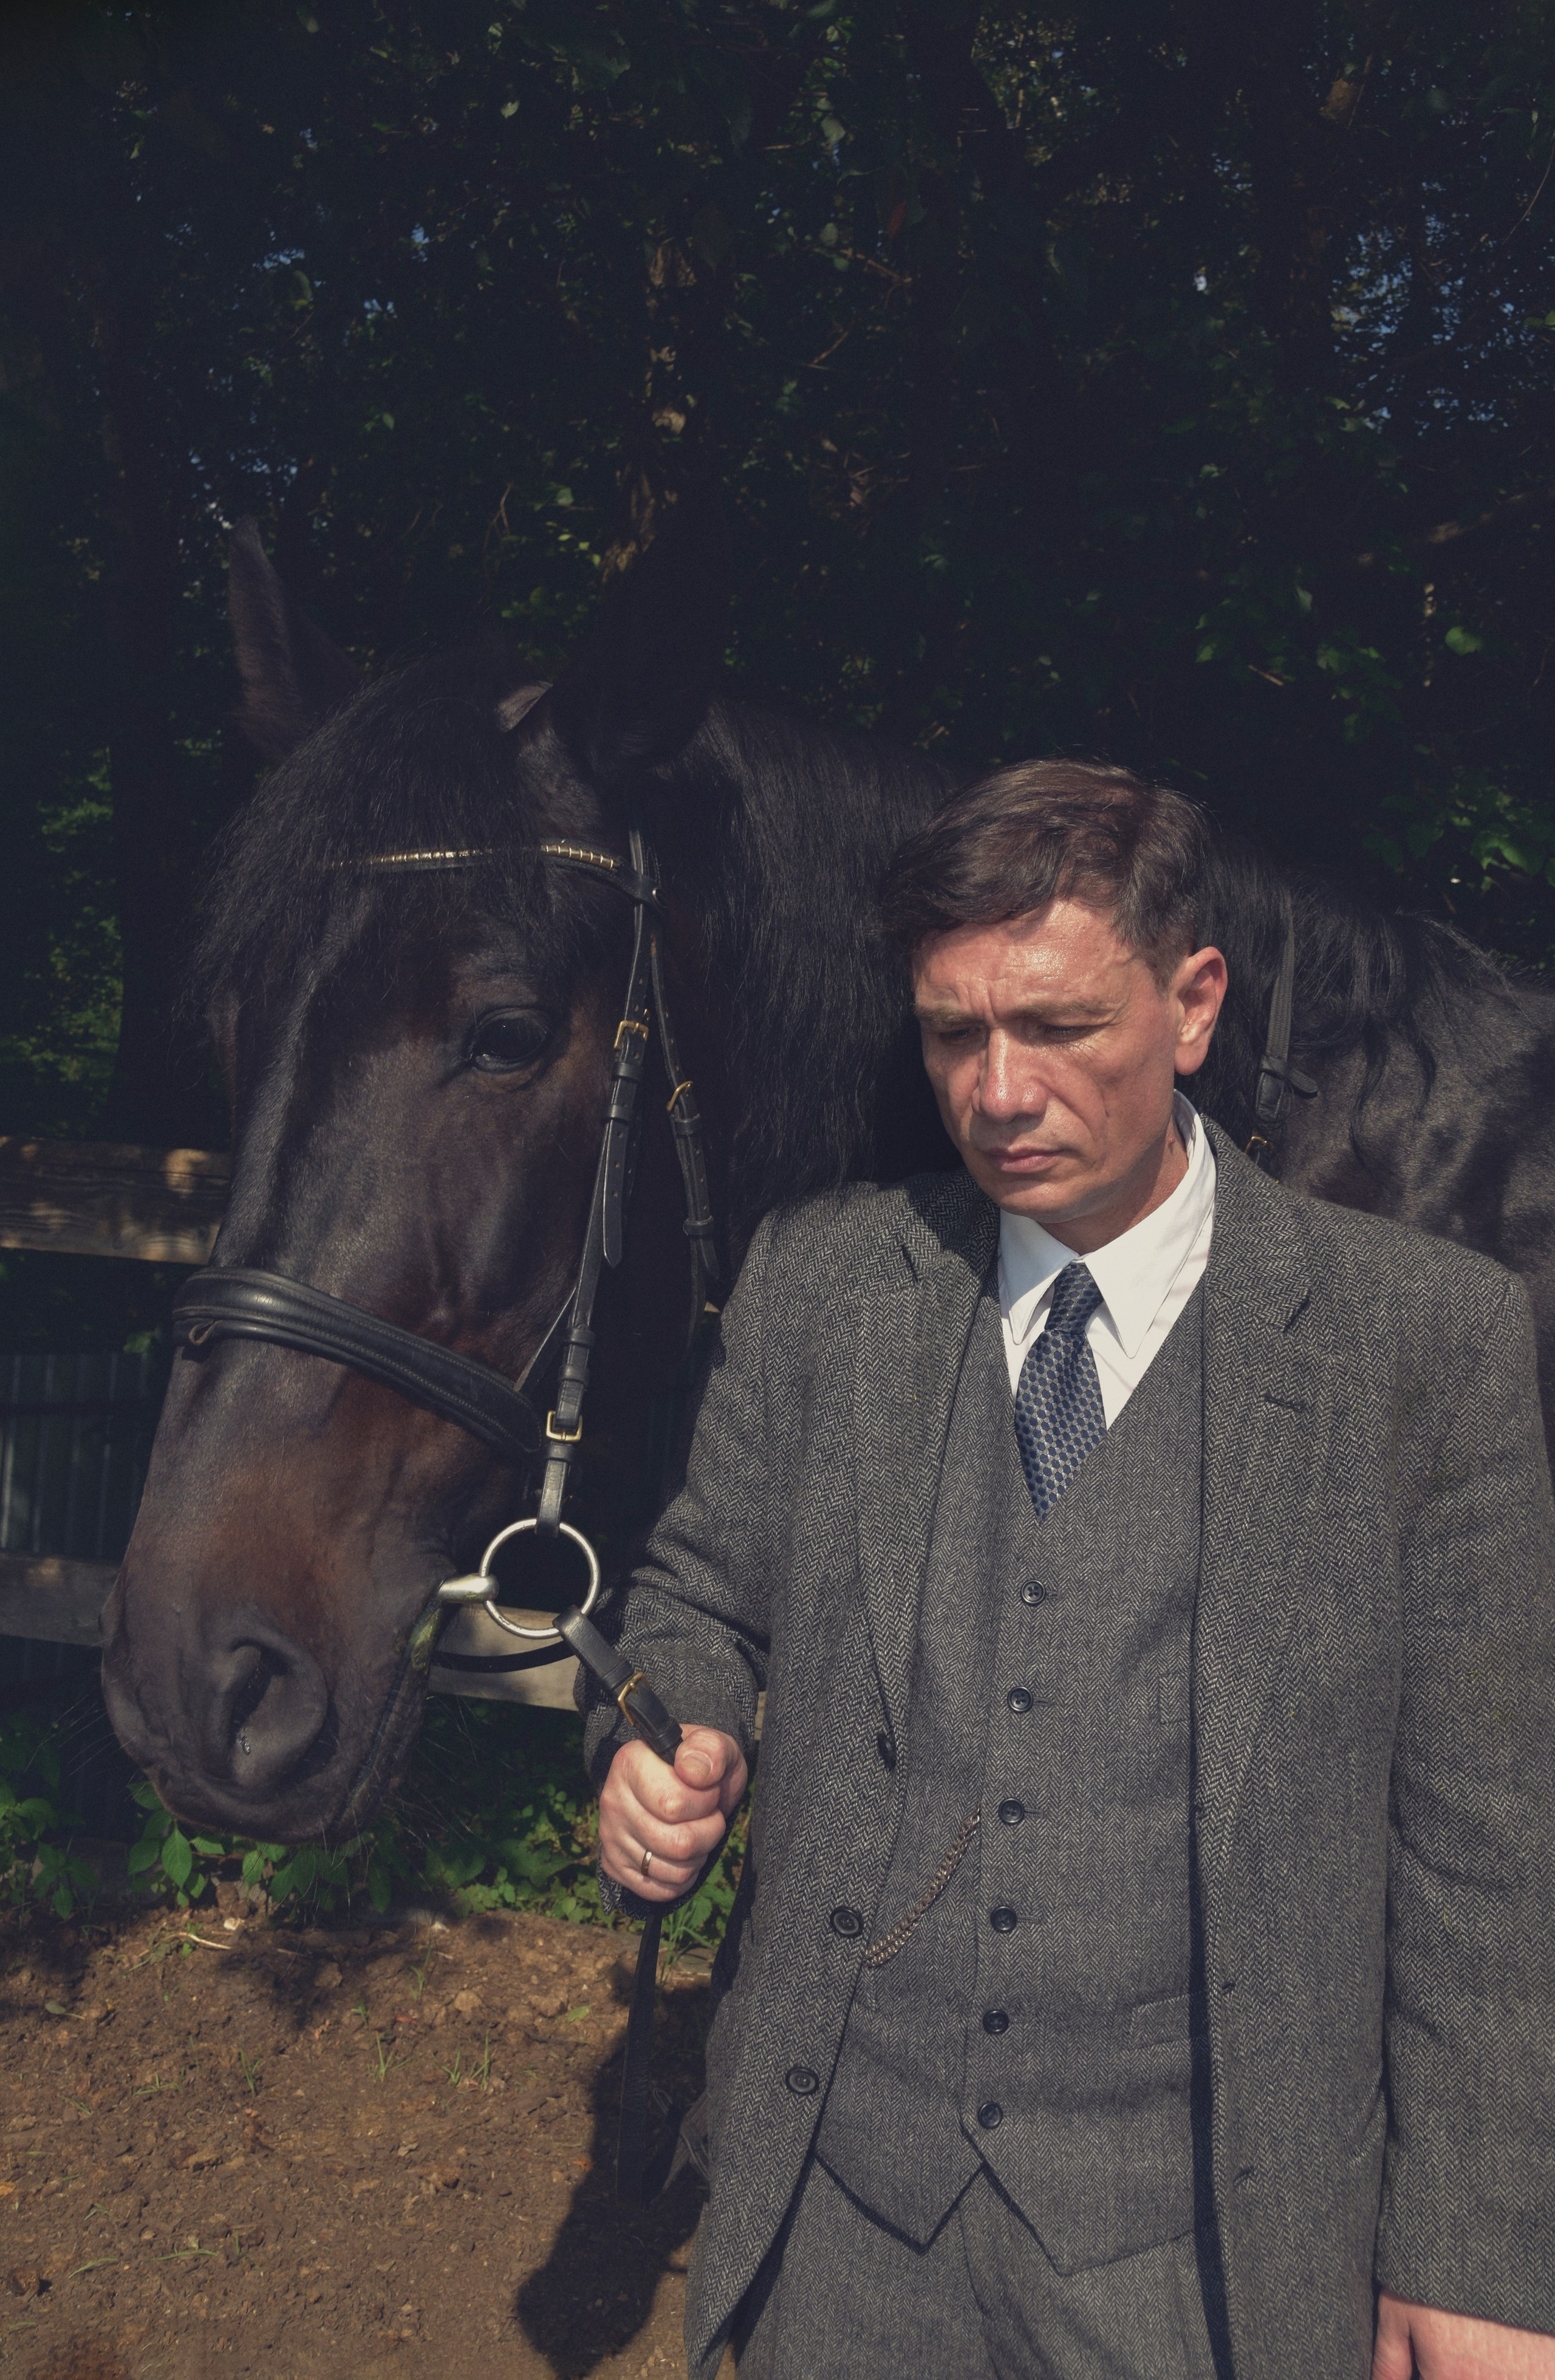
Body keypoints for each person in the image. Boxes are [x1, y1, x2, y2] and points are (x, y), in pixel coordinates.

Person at [586, 761, 1555, 2380]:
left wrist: (1479, 2260)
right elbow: (694, 1601)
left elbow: (1492, 1852)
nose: (998, 1091)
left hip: (1210, 2266)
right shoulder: (823, 1285)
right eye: (951, 1034)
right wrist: (654, 1739)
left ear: (1194, 1006)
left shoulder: (1424, 1344)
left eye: (1056, 1027)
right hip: (845, 2235)